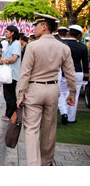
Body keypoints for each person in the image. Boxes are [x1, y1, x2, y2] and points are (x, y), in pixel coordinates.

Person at [16, 13, 77, 166]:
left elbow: (25, 73)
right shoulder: (63, 47)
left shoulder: (32, 46)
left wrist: (20, 94)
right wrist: (72, 93)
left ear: (44, 27)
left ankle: (34, 166)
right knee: (49, 130)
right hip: (52, 89)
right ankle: (45, 162)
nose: (33, 28)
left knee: (31, 130)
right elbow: (70, 73)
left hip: (34, 89)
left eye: (35, 25)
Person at [58, 25, 89, 124]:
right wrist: (86, 77)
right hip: (78, 72)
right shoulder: (82, 46)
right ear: (79, 34)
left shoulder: (62, 45)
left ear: (68, 32)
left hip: (64, 72)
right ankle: (71, 118)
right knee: (74, 95)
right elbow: (85, 63)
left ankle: (64, 112)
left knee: (62, 93)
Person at [0, 25, 21, 122]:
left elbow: (14, 58)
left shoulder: (16, 44)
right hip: (7, 73)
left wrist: (4, 61)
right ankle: (10, 113)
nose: (5, 33)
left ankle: (11, 114)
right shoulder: (9, 44)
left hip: (12, 73)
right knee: (7, 94)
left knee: (9, 95)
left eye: (7, 32)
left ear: (12, 33)